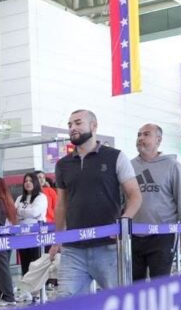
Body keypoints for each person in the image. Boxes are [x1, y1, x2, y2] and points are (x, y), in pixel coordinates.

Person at [48, 109, 142, 296]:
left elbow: (135, 196)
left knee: (120, 305)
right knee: (68, 307)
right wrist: (57, 239)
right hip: (73, 250)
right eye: (69, 125)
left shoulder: (116, 157)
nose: (72, 128)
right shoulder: (63, 164)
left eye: (78, 123)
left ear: (93, 125)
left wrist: (124, 222)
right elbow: (61, 204)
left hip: (108, 247)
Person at [131, 123, 181, 281]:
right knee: (134, 285)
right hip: (133, 236)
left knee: (159, 284)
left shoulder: (172, 166)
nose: (140, 138)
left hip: (163, 236)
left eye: (146, 134)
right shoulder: (129, 166)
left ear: (158, 140)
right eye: (139, 134)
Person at [15, 171, 47, 275]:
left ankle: (38, 291)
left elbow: (35, 212)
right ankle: (26, 290)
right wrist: (26, 213)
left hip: (36, 237)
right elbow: (14, 213)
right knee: (25, 265)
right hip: (22, 237)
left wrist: (21, 213)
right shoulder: (20, 198)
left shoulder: (41, 197)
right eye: (26, 181)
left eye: (30, 181)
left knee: (36, 265)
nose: (28, 183)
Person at [0, 177, 17, 305]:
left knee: (2, 268)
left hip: (0, 238)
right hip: (9, 237)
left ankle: (8, 296)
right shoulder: (8, 201)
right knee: (2, 267)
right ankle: (1, 294)